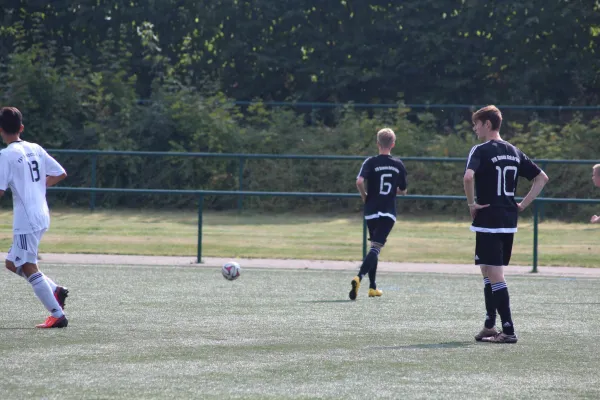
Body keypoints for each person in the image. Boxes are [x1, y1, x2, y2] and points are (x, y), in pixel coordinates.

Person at [464, 105, 549, 343]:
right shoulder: (514, 151)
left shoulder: (480, 150)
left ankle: (508, 330)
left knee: (495, 274)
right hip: (507, 220)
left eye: (476, 124)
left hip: (488, 218)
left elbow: (468, 177)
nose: (474, 128)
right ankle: (490, 324)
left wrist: (471, 203)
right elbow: (542, 178)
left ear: (487, 124)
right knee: (487, 270)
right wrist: (522, 204)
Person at [0, 107, 69, 328]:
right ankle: (56, 290)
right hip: (41, 214)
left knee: (28, 266)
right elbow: (60, 172)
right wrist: (38, 187)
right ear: (21, 128)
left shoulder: (5, 155)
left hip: (26, 219)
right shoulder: (36, 148)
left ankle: (57, 314)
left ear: (1, 130)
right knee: (12, 263)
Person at [349, 128, 408, 300]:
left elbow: (359, 181)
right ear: (393, 144)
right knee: (375, 248)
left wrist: (364, 196)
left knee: (374, 247)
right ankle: (358, 277)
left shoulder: (370, 162)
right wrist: (396, 192)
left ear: (377, 143)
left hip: (371, 210)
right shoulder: (398, 164)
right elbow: (403, 190)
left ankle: (372, 287)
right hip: (388, 212)